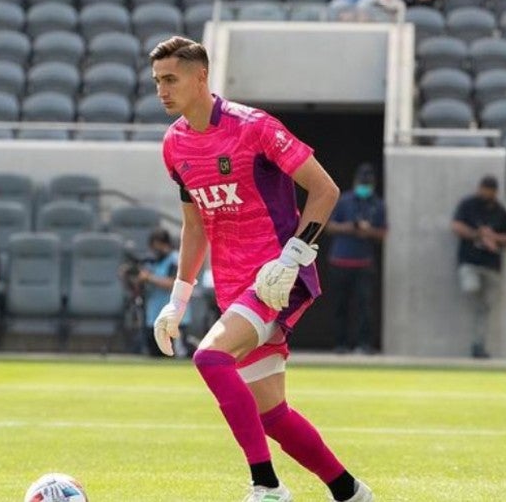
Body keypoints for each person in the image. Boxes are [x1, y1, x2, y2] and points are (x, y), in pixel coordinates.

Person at [149, 36, 373, 502]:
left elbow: (325, 190)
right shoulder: (174, 146)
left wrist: (293, 256)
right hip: (234, 287)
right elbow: (195, 226)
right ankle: (350, 492)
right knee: (273, 416)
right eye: (156, 81)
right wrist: (177, 299)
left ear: (201, 77)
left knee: (210, 358)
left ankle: (266, 486)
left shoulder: (253, 126)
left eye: (171, 79)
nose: (162, 90)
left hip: (276, 279)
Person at [325, 163, 387, 354]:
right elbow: (329, 226)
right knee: (340, 305)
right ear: (355, 182)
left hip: (364, 263)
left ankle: (364, 344)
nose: (365, 187)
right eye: (362, 183)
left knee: (364, 307)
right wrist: (351, 228)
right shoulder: (344, 200)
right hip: (340, 261)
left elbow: (383, 233)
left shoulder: (378, 204)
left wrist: (369, 231)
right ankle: (340, 344)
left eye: (368, 183)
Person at [451, 175, 506, 359]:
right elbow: (456, 226)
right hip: (470, 262)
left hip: (491, 264)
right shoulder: (468, 205)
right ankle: (478, 345)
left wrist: (493, 238)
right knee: (471, 287)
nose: (485, 193)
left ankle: (478, 347)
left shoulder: (500, 211)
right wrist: (477, 235)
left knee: (485, 309)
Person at [136, 228, 193, 358]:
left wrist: (149, 277)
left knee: (177, 354)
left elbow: (174, 283)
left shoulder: (175, 260)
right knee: (156, 356)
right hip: (154, 315)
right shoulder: (152, 261)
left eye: (158, 246)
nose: (156, 250)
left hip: (175, 317)